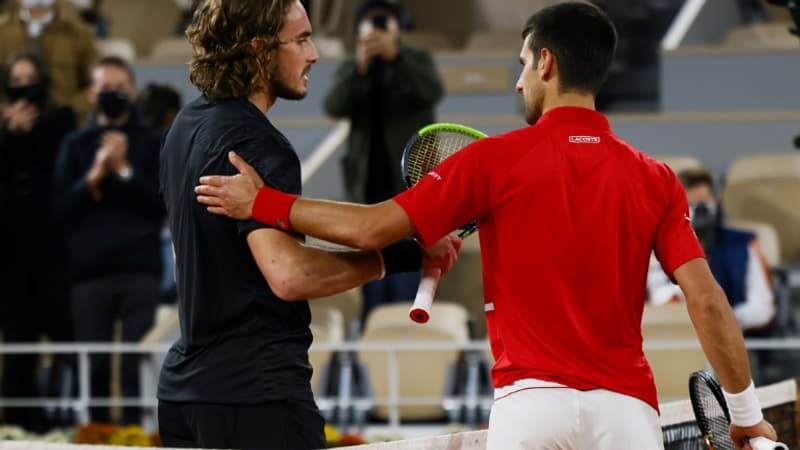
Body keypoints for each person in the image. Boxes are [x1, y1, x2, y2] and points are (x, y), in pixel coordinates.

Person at [195, 2, 779, 449]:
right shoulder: (656, 178)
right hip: (627, 416)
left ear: (546, 62)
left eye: (523, 65)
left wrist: (264, 203)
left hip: (529, 413)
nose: (518, 82)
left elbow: (373, 227)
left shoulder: (489, 161)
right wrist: (747, 416)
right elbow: (705, 301)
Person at [157, 1, 459, 449]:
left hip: (184, 394)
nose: (314, 53)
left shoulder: (185, 126)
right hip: (255, 396)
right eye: (300, 40)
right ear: (259, 51)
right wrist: (400, 257)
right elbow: (290, 275)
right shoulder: (259, 143)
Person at [52, 55, 164, 425]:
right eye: (105, 88)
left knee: (135, 365)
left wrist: (125, 170)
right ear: (89, 93)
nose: (113, 95)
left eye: (120, 88)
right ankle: (95, 438)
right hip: (89, 272)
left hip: (140, 269)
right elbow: (61, 209)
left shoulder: (151, 142)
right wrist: (95, 175)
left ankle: (135, 438)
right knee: (94, 365)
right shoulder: (74, 144)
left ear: (131, 92)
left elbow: (160, 205)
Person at [323, 0, 444, 326]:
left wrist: (395, 58)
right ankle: (373, 336)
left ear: (398, 30)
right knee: (370, 280)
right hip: (364, 190)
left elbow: (431, 91)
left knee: (406, 274)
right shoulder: (354, 67)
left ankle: (405, 334)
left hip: (407, 189)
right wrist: (361, 68)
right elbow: (333, 104)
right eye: (370, 25)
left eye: (384, 24)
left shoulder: (415, 61)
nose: (376, 32)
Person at [0, 52, 76, 432]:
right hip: (11, 253)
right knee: (18, 338)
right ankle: (17, 423)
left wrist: (23, 133)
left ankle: (70, 418)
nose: (24, 87)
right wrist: (7, 134)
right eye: (16, 80)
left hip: (53, 246)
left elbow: (53, 163)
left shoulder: (60, 120)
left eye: (31, 78)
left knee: (64, 332)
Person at [647, 168, 776, 332]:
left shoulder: (744, 245)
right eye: (691, 204)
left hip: (736, 338)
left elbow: (762, 308)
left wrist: (724, 320)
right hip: (680, 337)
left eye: (704, 202)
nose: (700, 211)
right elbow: (658, 298)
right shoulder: (660, 247)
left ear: (716, 204)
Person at [0, 0, 97, 121]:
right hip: (8, 125)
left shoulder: (77, 33)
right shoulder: (3, 30)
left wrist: (71, 109)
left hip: (62, 125)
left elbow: (96, 83)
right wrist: (6, 111)